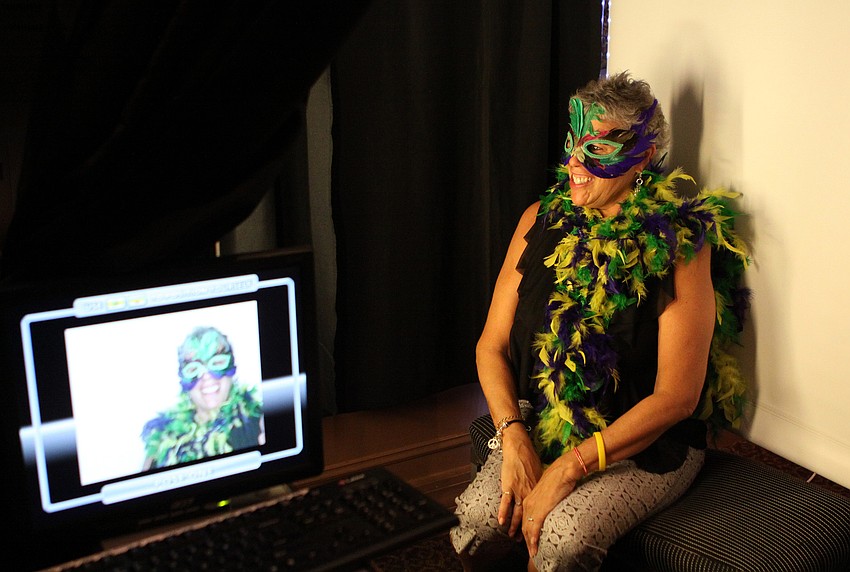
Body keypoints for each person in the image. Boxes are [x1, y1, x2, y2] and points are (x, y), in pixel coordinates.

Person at [450, 72, 750, 571]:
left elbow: (677, 398)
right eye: (572, 145)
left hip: (646, 441)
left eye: (597, 150)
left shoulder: (679, 245)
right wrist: (515, 436)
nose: (573, 165)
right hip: (545, 413)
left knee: (562, 536)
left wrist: (569, 468)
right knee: (482, 521)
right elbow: (490, 346)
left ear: (645, 156)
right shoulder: (537, 220)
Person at [141, 326, 265, 470]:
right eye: (194, 369)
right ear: (183, 379)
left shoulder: (257, 420)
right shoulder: (163, 436)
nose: (207, 377)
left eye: (217, 363)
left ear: (231, 367)